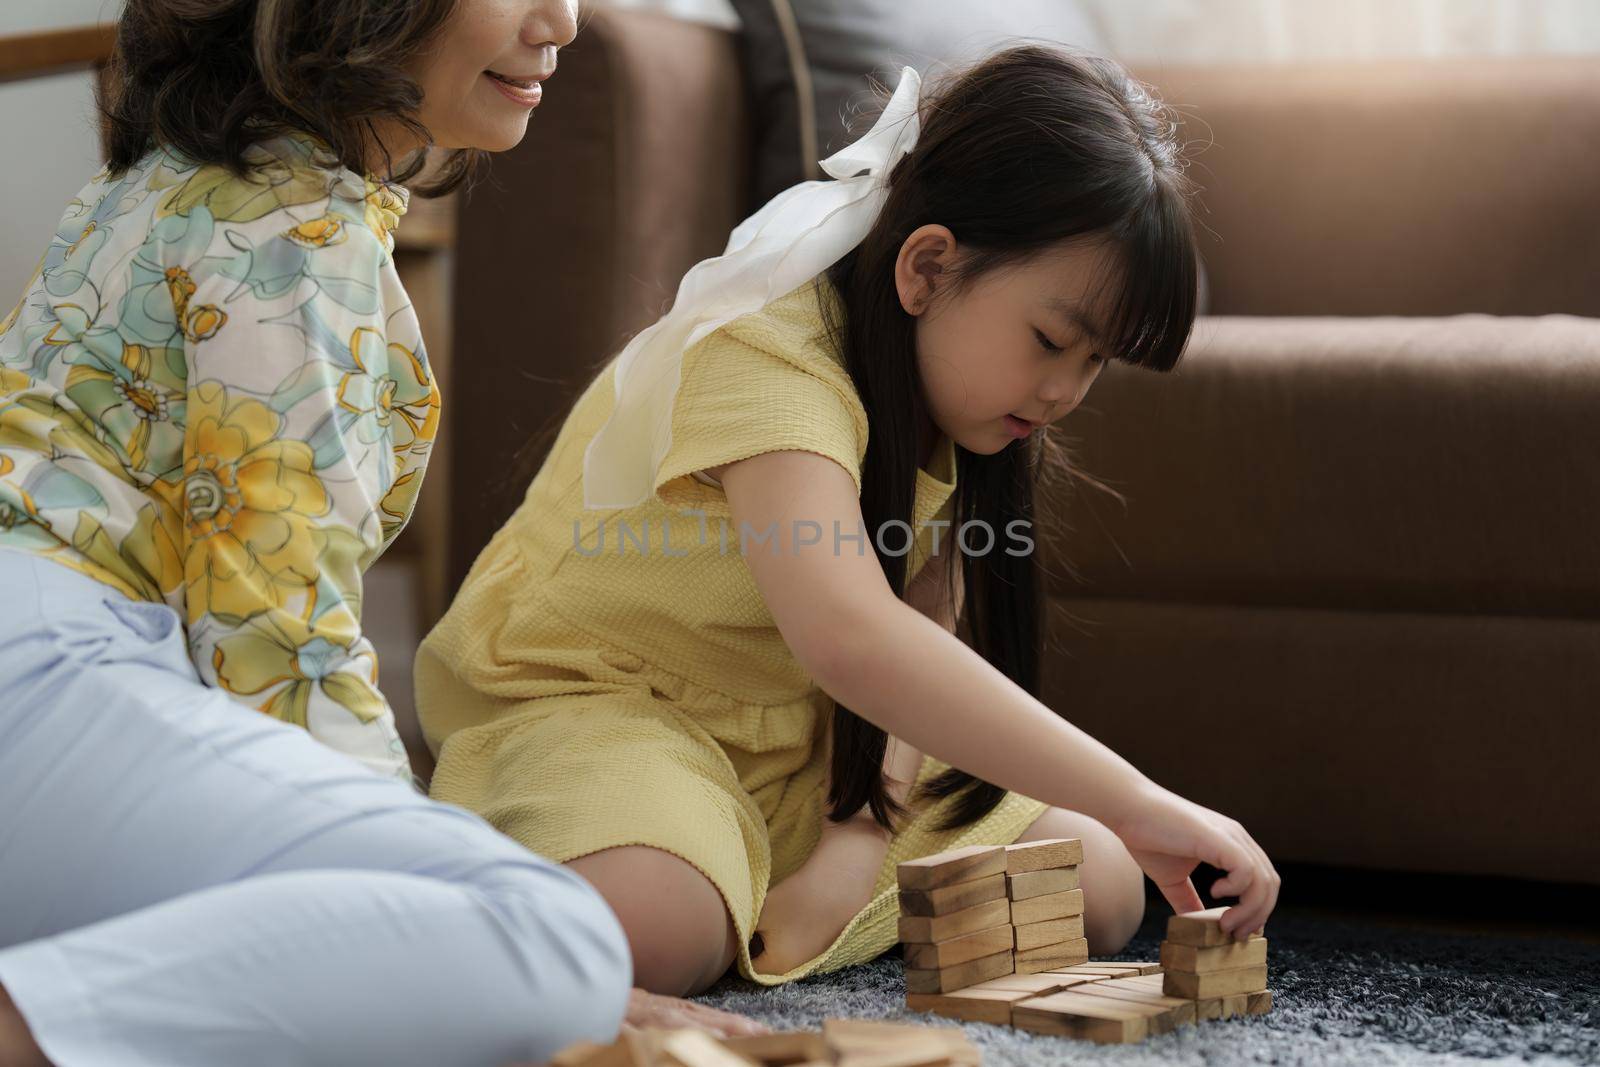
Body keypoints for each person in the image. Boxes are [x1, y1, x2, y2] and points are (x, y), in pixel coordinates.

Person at [415, 43, 1282, 1001]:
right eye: (1051, 342)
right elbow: (853, 638)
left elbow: (913, 642)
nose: (1064, 391)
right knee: (652, 923)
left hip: (804, 745)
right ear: (927, 267)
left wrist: (855, 842)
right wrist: (1144, 797)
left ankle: (760, 893)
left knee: (1103, 882)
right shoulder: (771, 353)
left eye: (1093, 365)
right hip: (613, 711)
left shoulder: (966, 410)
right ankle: (628, 881)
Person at [0, 1, 763, 1064]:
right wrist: (427, 915)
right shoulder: (293, 235)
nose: (565, 22)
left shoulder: (175, 179)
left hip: (53, 672)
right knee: (556, 938)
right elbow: (277, 640)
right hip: (46, 664)